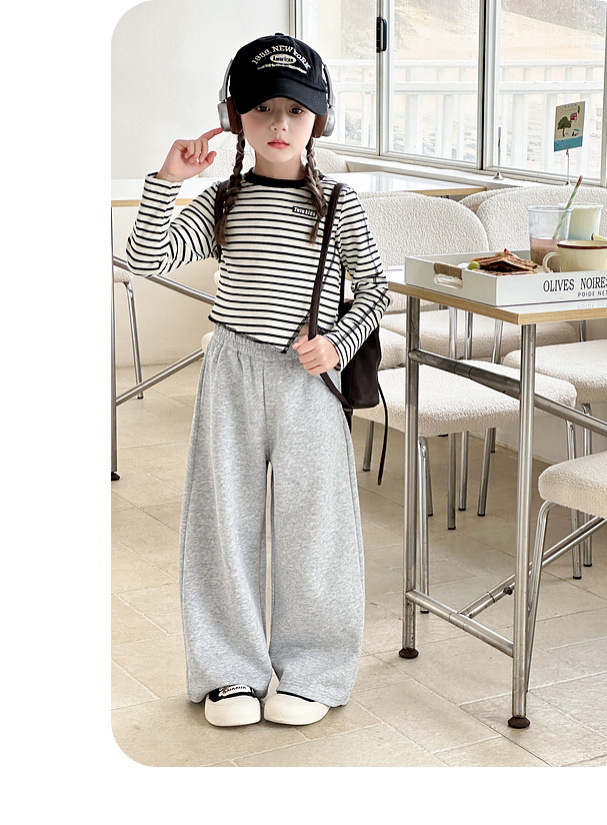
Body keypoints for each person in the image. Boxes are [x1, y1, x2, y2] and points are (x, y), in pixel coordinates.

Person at [126, 33, 389, 728]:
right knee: (223, 523)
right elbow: (146, 257)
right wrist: (168, 181)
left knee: (315, 529)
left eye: (295, 111)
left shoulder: (340, 204)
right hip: (232, 372)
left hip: (309, 382)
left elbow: (375, 290)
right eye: (262, 108)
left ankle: (313, 669)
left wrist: (337, 343)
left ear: (318, 119)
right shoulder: (222, 200)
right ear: (234, 116)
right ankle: (229, 670)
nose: (279, 124)